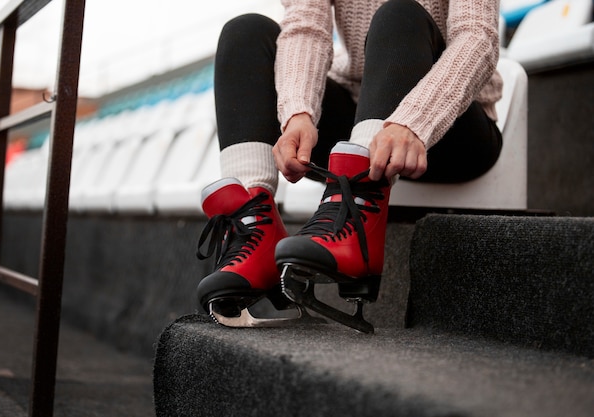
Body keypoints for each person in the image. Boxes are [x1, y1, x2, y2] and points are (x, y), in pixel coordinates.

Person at [196, 0, 503, 331]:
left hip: (448, 124)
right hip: (360, 115)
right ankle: (256, 227)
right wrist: (298, 114)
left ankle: (358, 220)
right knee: (245, 33)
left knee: (399, 12)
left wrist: (413, 121)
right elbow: (306, 26)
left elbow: (477, 36)